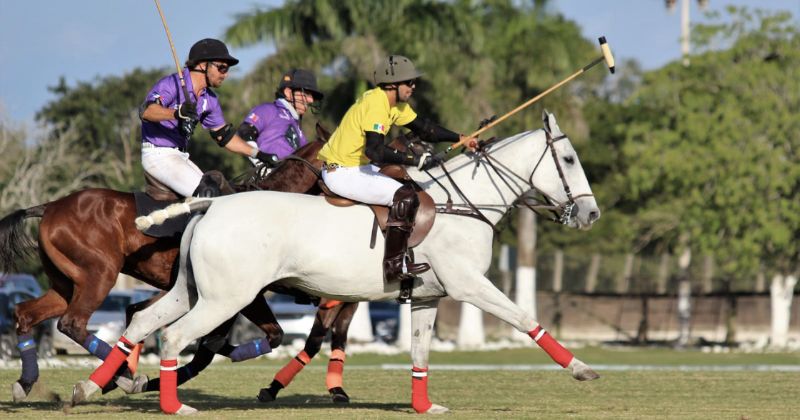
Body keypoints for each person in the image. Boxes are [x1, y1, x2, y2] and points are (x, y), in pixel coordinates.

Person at [317, 55, 477, 283]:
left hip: (358, 168)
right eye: (409, 82)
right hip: (342, 172)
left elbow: (425, 129)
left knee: (409, 186)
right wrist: (414, 160)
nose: (413, 86)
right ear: (392, 84)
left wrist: (461, 137)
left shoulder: (394, 104)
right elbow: (375, 151)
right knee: (406, 198)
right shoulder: (376, 105)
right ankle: (393, 266)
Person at [139, 38, 275, 197]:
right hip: (158, 155)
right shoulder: (172, 84)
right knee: (209, 195)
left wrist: (258, 154)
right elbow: (146, 111)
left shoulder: (210, 100)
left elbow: (224, 137)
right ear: (203, 65)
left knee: (224, 194)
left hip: (180, 156)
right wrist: (176, 113)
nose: (225, 74)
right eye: (222, 68)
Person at [237, 69, 324, 167]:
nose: (311, 100)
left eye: (312, 96)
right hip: (267, 178)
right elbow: (245, 132)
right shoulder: (269, 110)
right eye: (307, 93)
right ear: (288, 93)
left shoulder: (299, 131)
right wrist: (259, 163)